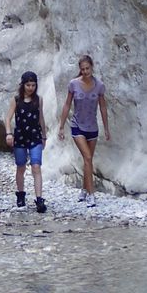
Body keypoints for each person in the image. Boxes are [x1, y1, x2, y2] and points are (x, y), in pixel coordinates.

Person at [56, 55, 110, 204]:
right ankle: (92, 194)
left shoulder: (99, 85)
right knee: (87, 158)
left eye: (88, 68)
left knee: (88, 160)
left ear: (92, 67)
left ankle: (84, 190)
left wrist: (106, 128)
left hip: (92, 127)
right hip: (77, 126)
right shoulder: (74, 84)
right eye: (83, 69)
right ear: (80, 70)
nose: (85, 71)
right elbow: (67, 105)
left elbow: (103, 107)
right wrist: (61, 126)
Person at [4, 71, 48, 213]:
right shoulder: (16, 100)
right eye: (28, 85)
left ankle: (39, 199)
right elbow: (7, 118)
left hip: (35, 136)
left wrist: (44, 136)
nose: (31, 88)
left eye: (33, 85)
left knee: (36, 166)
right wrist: (8, 133)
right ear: (23, 85)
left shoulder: (38, 100)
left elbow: (41, 118)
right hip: (20, 137)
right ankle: (21, 193)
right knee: (21, 167)